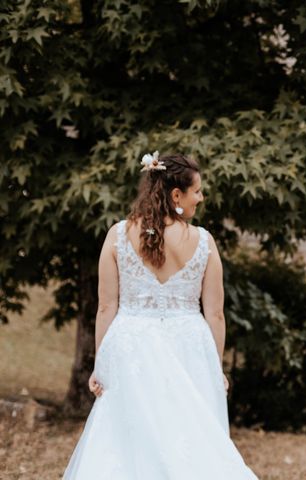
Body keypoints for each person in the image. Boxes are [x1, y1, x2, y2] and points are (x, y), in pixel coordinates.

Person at [64, 152, 257, 479]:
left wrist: (102, 363)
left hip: (131, 346)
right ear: (176, 195)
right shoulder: (204, 243)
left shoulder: (117, 235)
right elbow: (215, 315)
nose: (202, 197)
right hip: (189, 347)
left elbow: (107, 307)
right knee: (191, 438)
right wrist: (215, 366)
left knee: (125, 441)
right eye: (197, 190)